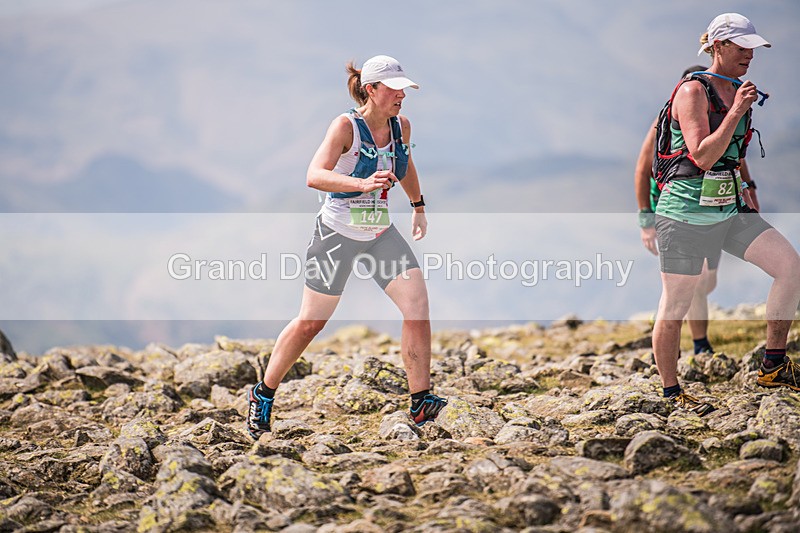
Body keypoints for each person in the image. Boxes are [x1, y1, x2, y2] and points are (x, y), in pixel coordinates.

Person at [246, 55, 447, 439]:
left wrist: (418, 205)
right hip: (336, 236)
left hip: (379, 236)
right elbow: (314, 176)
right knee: (309, 323)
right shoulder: (345, 127)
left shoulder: (400, 126)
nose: (402, 96)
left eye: (405, 90)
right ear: (371, 89)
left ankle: (421, 402)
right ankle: (263, 393)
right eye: (395, 89)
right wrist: (361, 184)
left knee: (417, 307)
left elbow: (406, 164)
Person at [652, 13, 800, 415]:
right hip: (683, 213)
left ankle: (773, 364)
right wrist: (735, 111)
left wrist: (748, 188)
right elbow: (701, 155)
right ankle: (671, 392)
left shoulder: (739, 88)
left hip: (728, 208)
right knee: (676, 304)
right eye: (741, 47)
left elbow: (733, 154)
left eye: (753, 48)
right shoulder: (692, 92)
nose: (749, 55)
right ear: (718, 46)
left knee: (790, 267)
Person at [635, 65, 761, 356]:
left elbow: (733, 157)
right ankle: (695, 343)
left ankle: (673, 326)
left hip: (714, 206)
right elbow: (642, 171)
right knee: (694, 281)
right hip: (674, 206)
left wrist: (749, 189)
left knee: (707, 282)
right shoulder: (665, 121)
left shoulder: (714, 116)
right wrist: (646, 219)